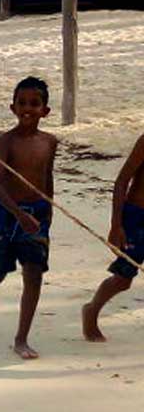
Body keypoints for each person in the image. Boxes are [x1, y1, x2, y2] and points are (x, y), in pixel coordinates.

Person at [0, 77, 58, 359]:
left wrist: (47, 211)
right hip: (6, 214)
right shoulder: (7, 141)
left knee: (34, 273)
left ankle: (21, 338)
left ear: (45, 110)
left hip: (38, 214)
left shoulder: (50, 142)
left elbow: (47, 178)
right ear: (12, 107)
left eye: (34, 103)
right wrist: (18, 214)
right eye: (22, 103)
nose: (27, 108)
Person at [81, 130, 144, 341]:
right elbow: (122, 181)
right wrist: (116, 224)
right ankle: (92, 309)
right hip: (136, 216)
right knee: (123, 278)